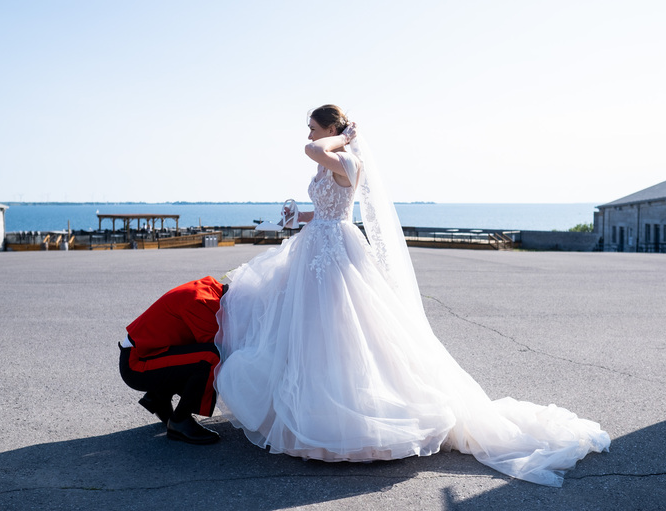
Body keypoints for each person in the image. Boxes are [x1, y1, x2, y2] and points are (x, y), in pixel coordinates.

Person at [213, 105, 610, 486]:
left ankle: (352, 422)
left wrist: (344, 139)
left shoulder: (346, 159)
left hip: (335, 254)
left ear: (332, 131)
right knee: (313, 332)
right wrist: (297, 217)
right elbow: (328, 208)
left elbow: (313, 151)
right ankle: (313, 411)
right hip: (317, 244)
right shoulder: (327, 159)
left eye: (314, 127)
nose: (309, 135)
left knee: (343, 330)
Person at [119, 276, 226, 444]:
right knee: (213, 357)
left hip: (148, 354)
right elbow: (218, 349)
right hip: (136, 365)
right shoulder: (204, 303)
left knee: (201, 355)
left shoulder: (211, 288)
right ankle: (180, 421)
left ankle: (158, 396)